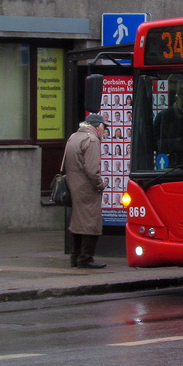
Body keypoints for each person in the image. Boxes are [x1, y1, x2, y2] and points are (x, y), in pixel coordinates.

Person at [64, 113, 107, 269]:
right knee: (90, 222)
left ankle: (75, 257)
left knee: (78, 222)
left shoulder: (74, 137)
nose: (104, 132)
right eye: (103, 128)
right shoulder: (92, 140)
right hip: (87, 188)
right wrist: (100, 185)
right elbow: (92, 169)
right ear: (97, 127)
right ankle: (86, 258)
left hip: (74, 185)